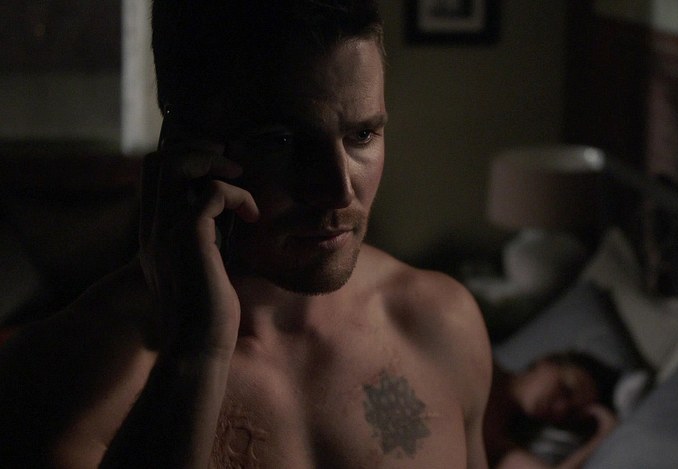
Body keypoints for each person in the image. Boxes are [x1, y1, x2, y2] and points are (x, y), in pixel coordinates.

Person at [0, 1, 492, 467]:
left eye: (361, 135)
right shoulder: (61, 378)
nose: (338, 191)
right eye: (282, 141)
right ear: (183, 145)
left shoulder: (440, 324)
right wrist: (196, 352)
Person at [483, 352, 622, 469]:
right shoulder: (481, 361)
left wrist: (602, 435)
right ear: (546, 363)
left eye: (570, 413)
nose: (560, 408)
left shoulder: (503, 448)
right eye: (566, 390)